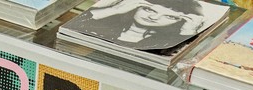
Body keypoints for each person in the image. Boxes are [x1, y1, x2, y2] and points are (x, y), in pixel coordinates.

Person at [73, 0, 209, 52]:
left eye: (170, 17)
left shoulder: (164, 43)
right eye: (149, 9)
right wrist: (114, 9)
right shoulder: (104, 24)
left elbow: (169, 60)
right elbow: (73, 29)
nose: (154, 18)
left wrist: (188, 31)